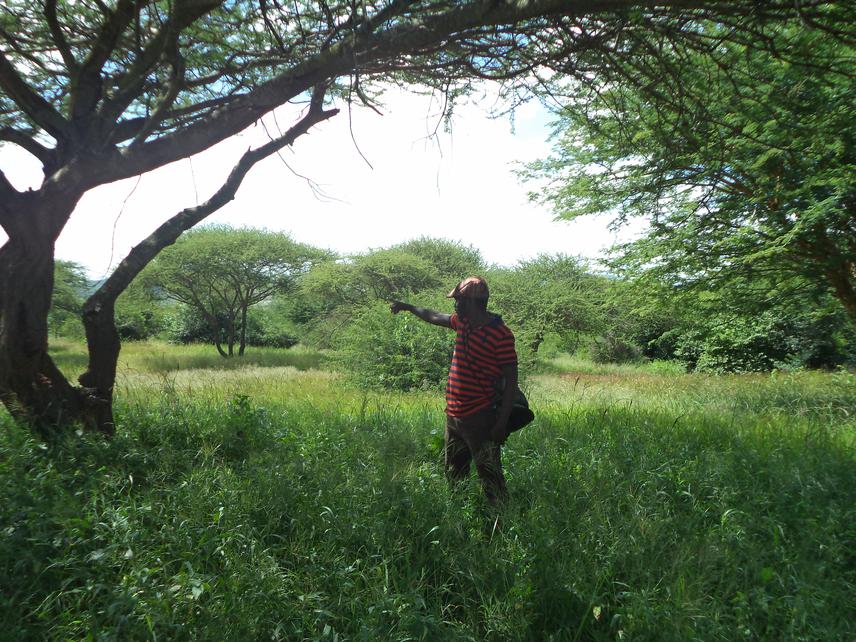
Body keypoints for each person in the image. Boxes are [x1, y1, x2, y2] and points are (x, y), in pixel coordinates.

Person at [391, 276, 518, 505]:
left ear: (470, 302)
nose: (454, 305)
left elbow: (511, 380)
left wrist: (501, 422)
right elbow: (433, 316)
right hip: (454, 416)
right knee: (454, 473)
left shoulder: (501, 334)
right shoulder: (463, 323)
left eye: (457, 300)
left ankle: (501, 525)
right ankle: (460, 517)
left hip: (482, 417)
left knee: (491, 478)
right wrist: (409, 308)